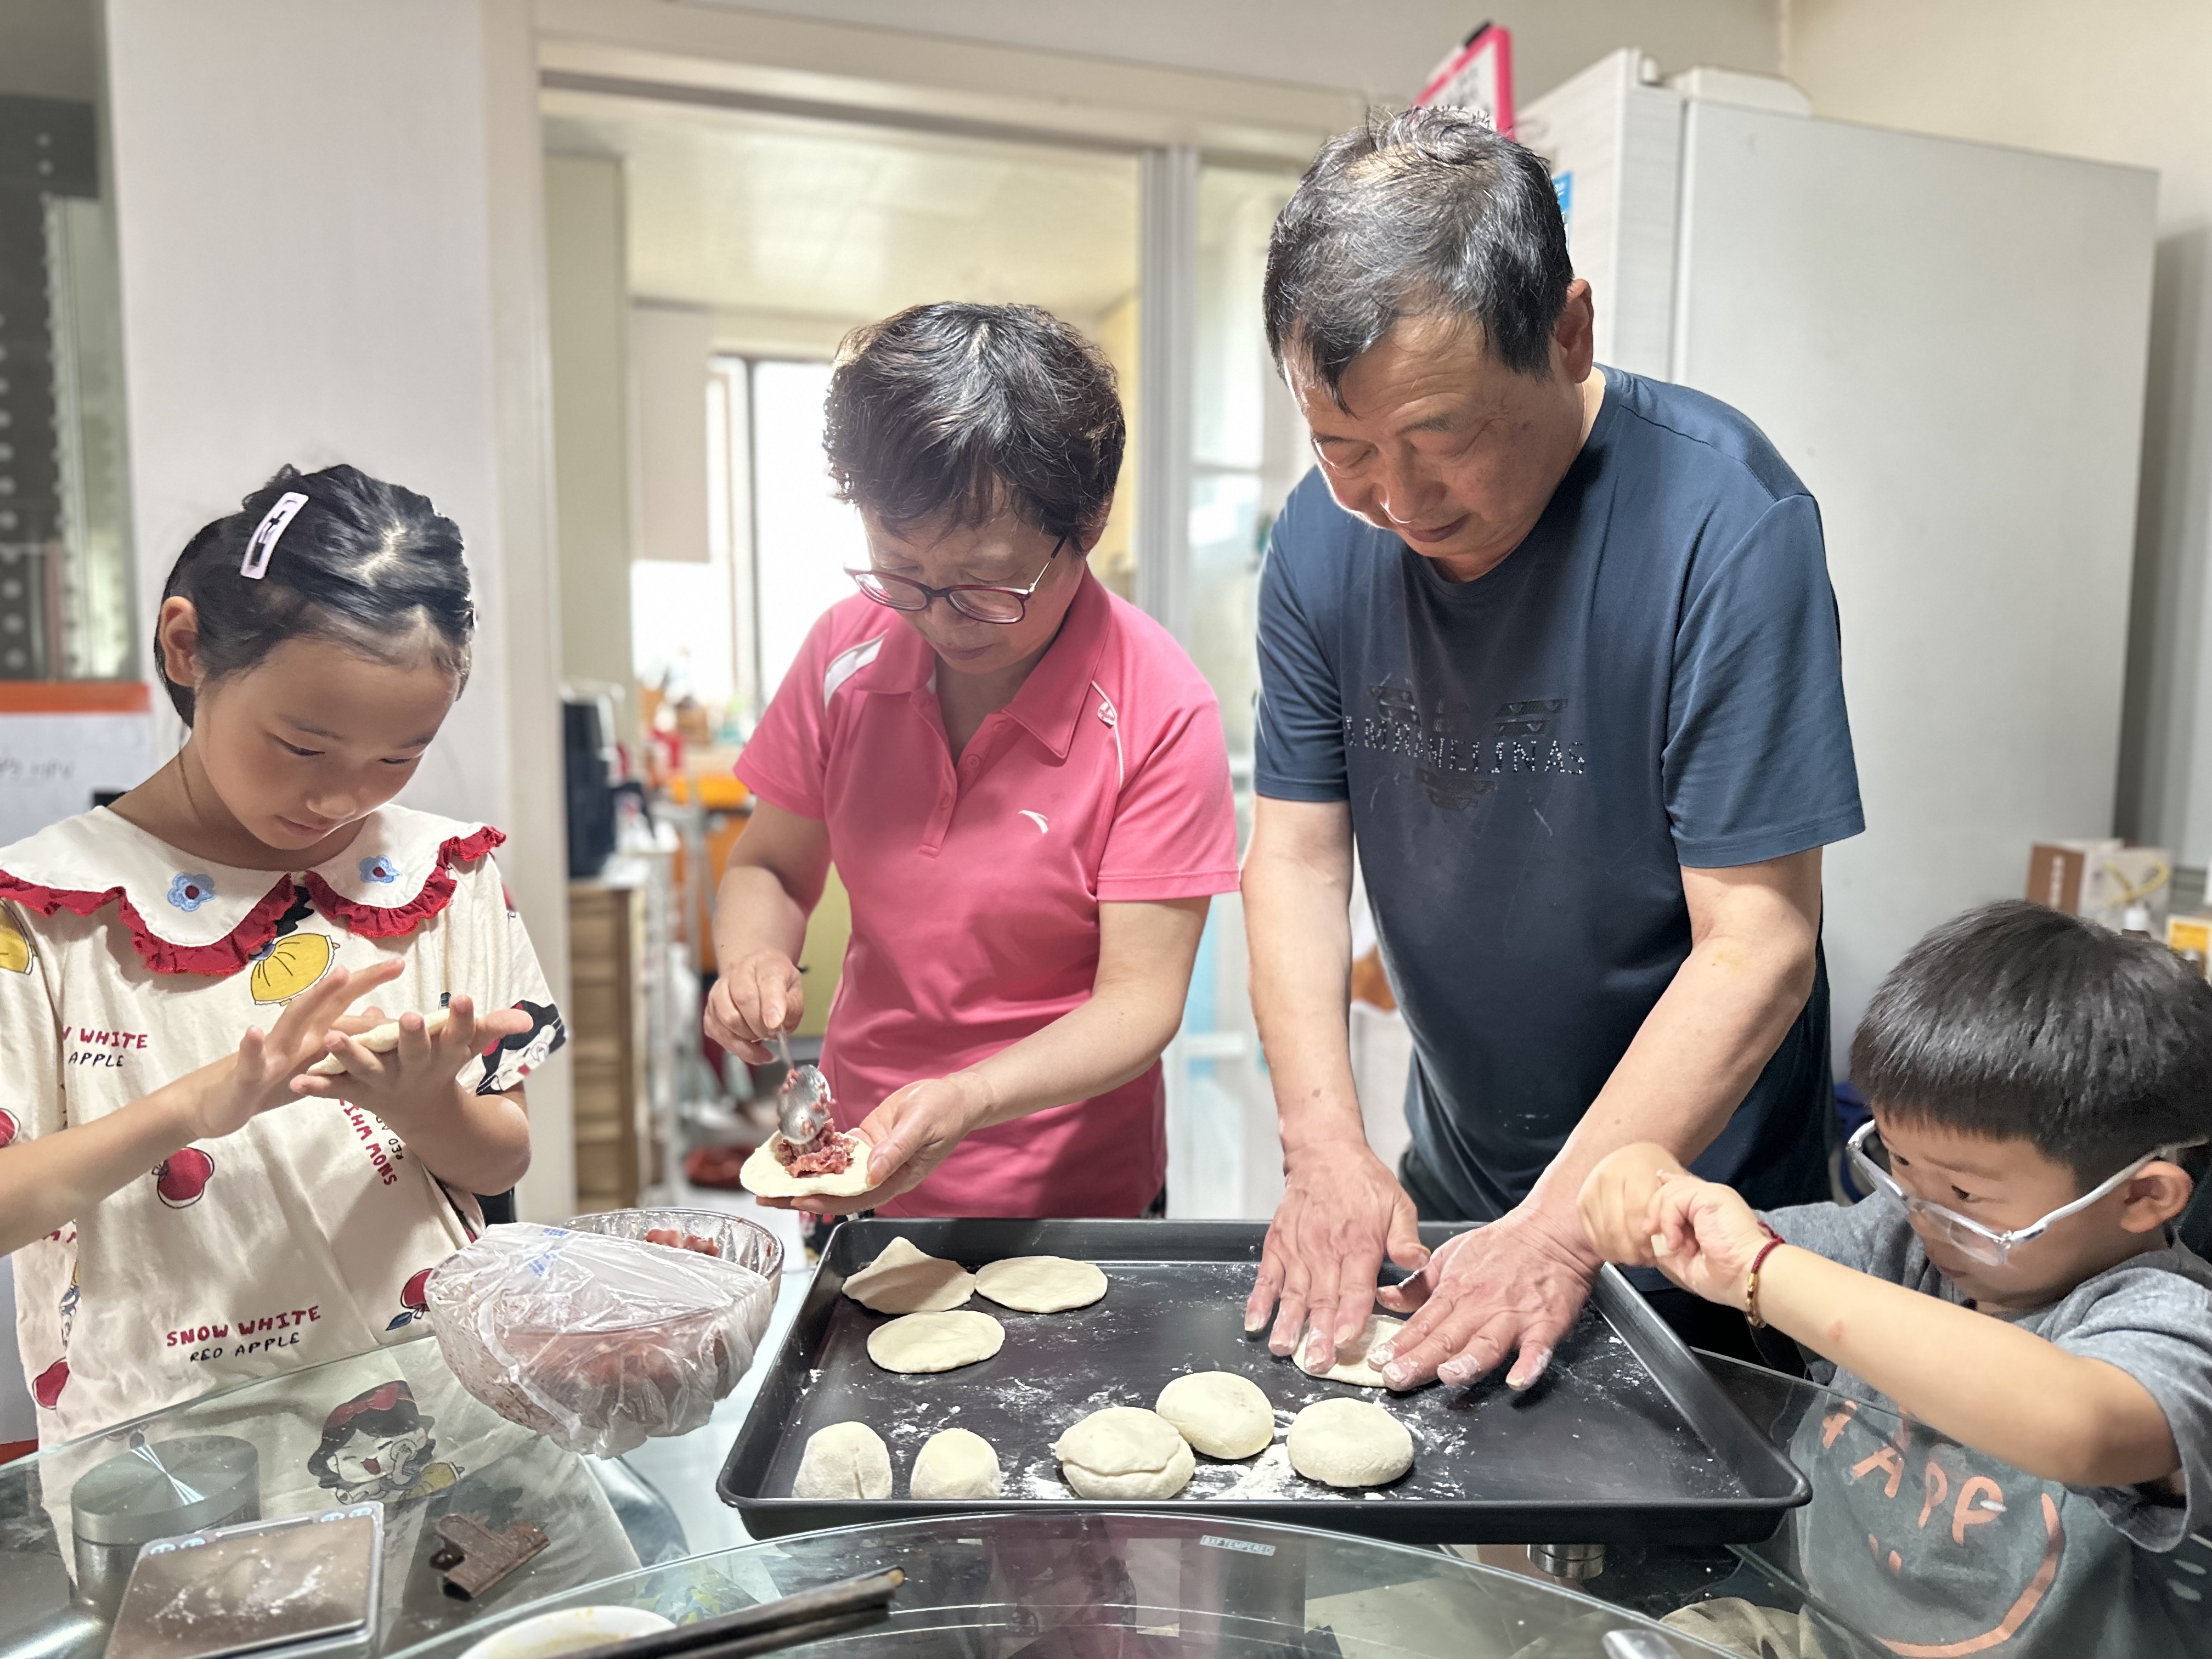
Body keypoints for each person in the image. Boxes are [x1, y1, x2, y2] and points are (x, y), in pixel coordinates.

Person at [1240, 106, 1864, 1391]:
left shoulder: (1725, 524)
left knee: (1684, 1590)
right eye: (1344, 447)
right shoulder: (1319, 540)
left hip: (1696, 1213)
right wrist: (1325, 1148)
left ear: (1567, 334)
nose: (1398, 505)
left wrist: (1568, 1228)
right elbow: (1298, 860)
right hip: (1463, 1170)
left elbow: (1760, 943)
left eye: (1444, 437)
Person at [0, 464, 565, 1443]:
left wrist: (428, 1108)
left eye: (398, 756)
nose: (343, 799)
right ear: (187, 648)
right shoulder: (45, 913)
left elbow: (501, 1151)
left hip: (441, 1414)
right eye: (303, 747)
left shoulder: (444, 873)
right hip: (164, 1456)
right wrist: (195, 1107)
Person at [706, 302, 1238, 1220]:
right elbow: (771, 865)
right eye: (899, 569)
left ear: (1091, 519)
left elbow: (1139, 1003)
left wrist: (969, 1098)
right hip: (854, 1174)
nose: (939, 617)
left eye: (988, 584)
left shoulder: (1160, 709)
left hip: (1067, 1203)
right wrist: (751, 959)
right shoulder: (845, 653)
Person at [1581, 901, 2211, 1656]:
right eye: (1901, 1165)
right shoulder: (1900, 1243)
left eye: (1966, 1195)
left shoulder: (2174, 1323)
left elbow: (2080, 1423)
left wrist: (1762, 1272)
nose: (1922, 1210)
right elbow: (1728, 1240)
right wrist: (1648, 1179)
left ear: (2142, 1197)